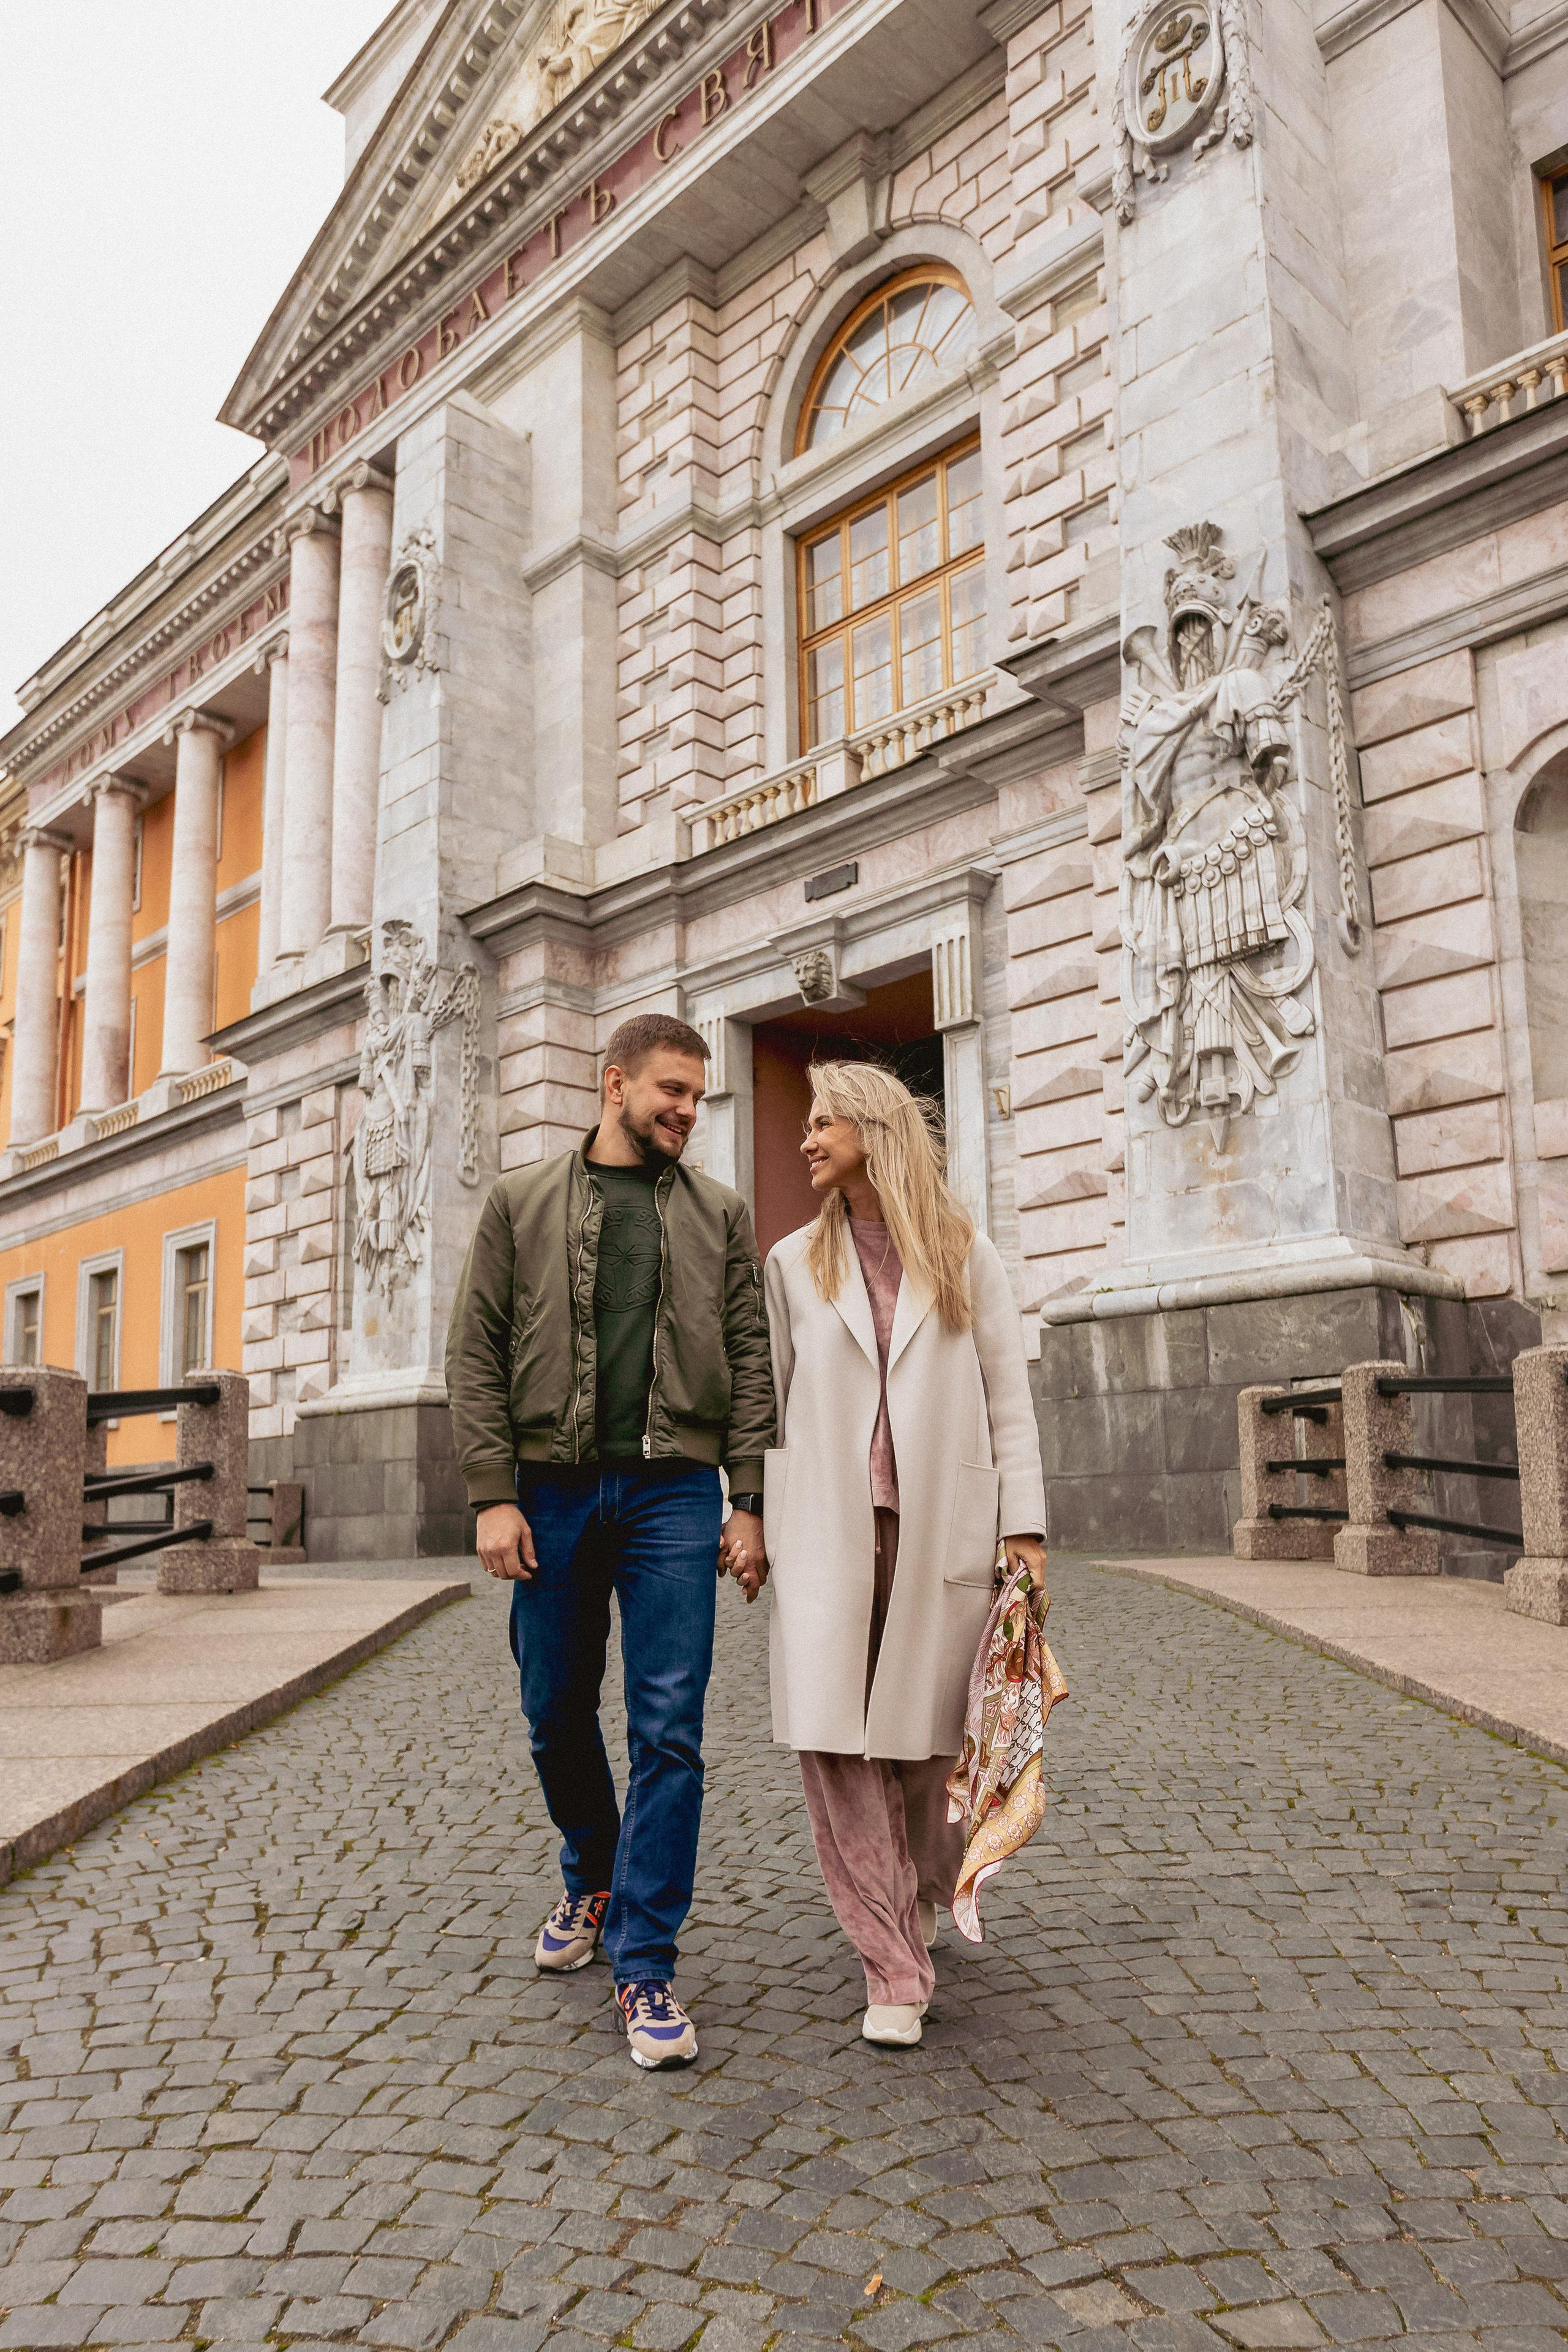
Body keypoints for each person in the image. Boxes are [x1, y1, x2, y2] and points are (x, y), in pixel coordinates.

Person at [445, 1013, 774, 2071]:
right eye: (670, 1091)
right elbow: (477, 1351)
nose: (685, 1111)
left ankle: (645, 1961)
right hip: (549, 1491)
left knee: (670, 1727)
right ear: (615, 1083)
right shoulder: (520, 1201)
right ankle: (591, 1871)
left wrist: (750, 1499)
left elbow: (749, 1356)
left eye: (696, 1096)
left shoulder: (721, 1215)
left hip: (675, 1492)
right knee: (551, 1707)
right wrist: (493, 1495)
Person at [747, 1060, 1046, 2048]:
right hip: (827, 1530)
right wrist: (747, 1515)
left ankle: (920, 1884)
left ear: (875, 1129)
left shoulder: (966, 1252)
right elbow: (770, 1408)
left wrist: (1025, 1530)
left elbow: (1009, 1398)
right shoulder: (792, 1263)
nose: (807, 1136)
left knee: (926, 1749)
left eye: (827, 1119)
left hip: (938, 1531)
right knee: (836, 1744)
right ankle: (890, 1962)